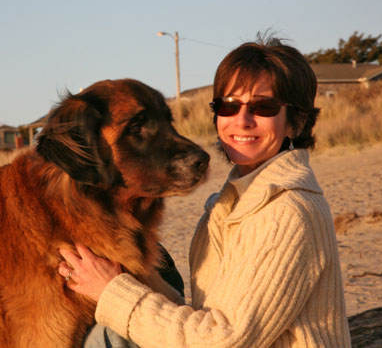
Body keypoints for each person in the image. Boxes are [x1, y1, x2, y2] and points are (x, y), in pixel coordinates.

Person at [59, 35, 352, 348]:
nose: (242, 120)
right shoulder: (232, 205)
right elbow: (207, 314)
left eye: (263, 107)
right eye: (228, 105)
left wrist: (111, 291)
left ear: (296, 121)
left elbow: (223, 339)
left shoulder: (289, 211)